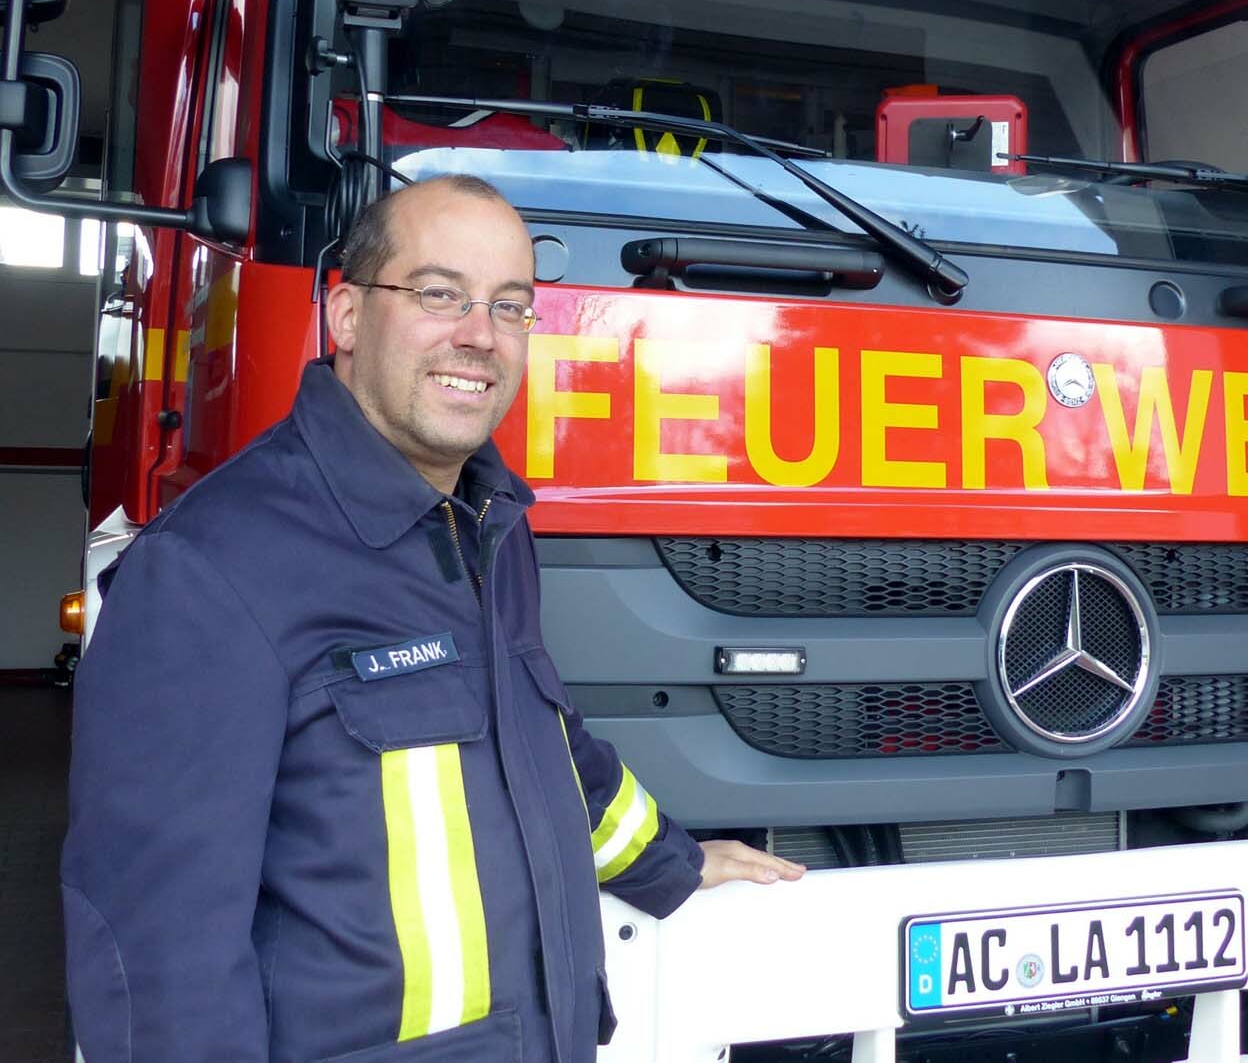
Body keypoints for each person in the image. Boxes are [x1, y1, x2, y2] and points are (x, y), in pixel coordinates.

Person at [61, 174, 803, 1062]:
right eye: (439, 294)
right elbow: (157, 959)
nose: (480, 334)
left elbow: (541, 740)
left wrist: (672, 861)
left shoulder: (488, 523)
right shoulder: (209, 568)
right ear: (345, 316)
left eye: (510, 305)